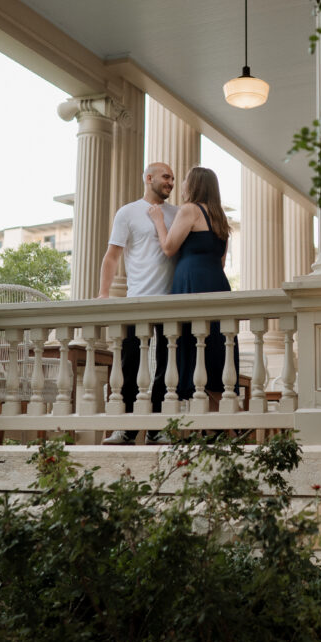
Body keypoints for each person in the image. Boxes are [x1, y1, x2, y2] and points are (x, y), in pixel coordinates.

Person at [98, 162, 177, 444]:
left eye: (172, 178)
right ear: (149, 178)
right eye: (165, 177)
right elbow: (112, 256)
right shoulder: (128, 212)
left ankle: (156, 429)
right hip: (136, 299)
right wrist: (104, 293)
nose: (170, 182)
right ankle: (126, 429)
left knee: (167, 368)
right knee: (129, 364)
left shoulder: (177, 213)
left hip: (169, 301)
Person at [148, 166, 237, 407]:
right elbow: (220, 261)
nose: (182, 185)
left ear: (194, 185)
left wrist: (158, 220)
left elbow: (168, 247)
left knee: (190, 344)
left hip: (192, 281)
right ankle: (224, 417)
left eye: (185, 180)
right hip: (217, 283)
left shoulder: (189, 210)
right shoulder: (220, 217)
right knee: (216, 347)